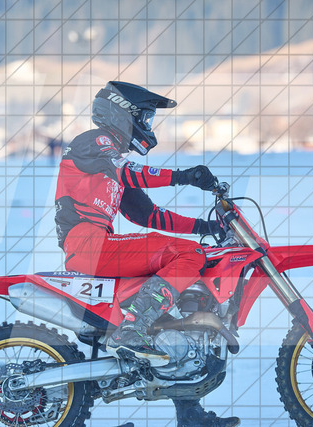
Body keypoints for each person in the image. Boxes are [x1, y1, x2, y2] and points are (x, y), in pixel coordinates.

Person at [54, 81, 240, 427]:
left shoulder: (110, 166)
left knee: (179, 304)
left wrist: (206, 226)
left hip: (97, 246)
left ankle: (191, 415)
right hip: (88, 245)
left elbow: (149, 215)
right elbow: (129, 172)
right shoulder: (95, 143)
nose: (147, 125)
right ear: (123, 113)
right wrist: (185, 176)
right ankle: (132, 329)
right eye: (145, 117)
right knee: (188, 254)